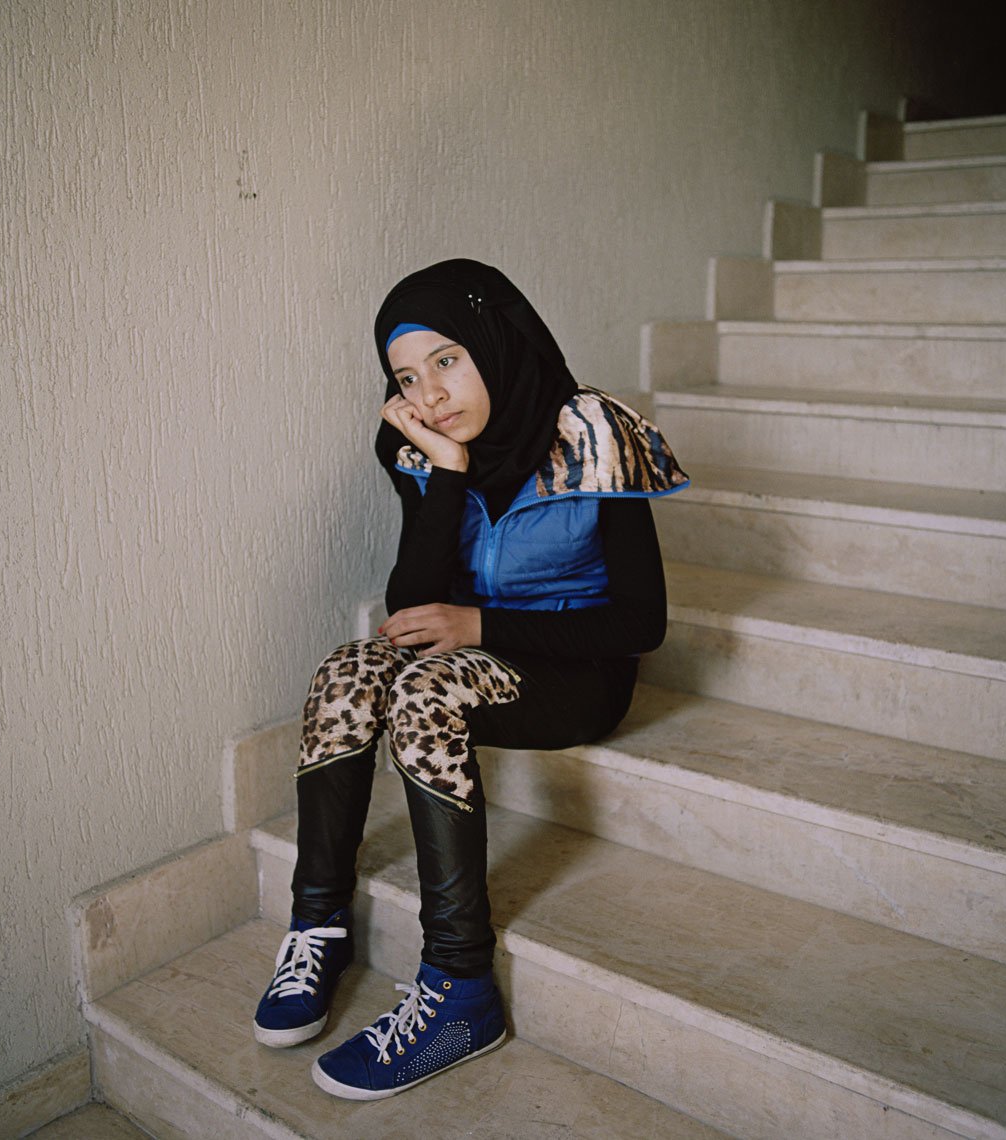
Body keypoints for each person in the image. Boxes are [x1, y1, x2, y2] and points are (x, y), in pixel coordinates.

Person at [252, 258, 688, 1101]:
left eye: (447, 360)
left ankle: (460, 990)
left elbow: (643, 624)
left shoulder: (593, 431)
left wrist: (480, 626)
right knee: (348, 671)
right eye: (407, 378)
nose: (431, 392)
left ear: (496, 342)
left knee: (422, 697)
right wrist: (447, 472)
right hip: (472, 654)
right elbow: (412, 604)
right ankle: (319, 923)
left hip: (578, 669)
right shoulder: (418, 446)